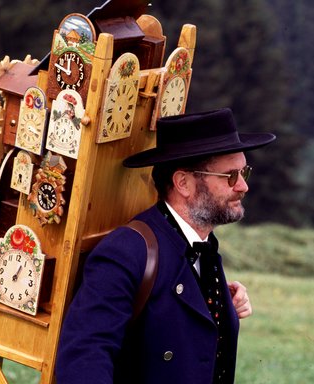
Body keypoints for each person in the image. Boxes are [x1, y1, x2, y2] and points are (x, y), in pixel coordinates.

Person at [56, 108, 276, 383]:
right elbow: (84, 359)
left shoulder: (205, 246)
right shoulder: (125, 252)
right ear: (183, 182)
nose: (243, 186)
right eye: (230, 176)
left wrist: (224, 306)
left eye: (244, 172)